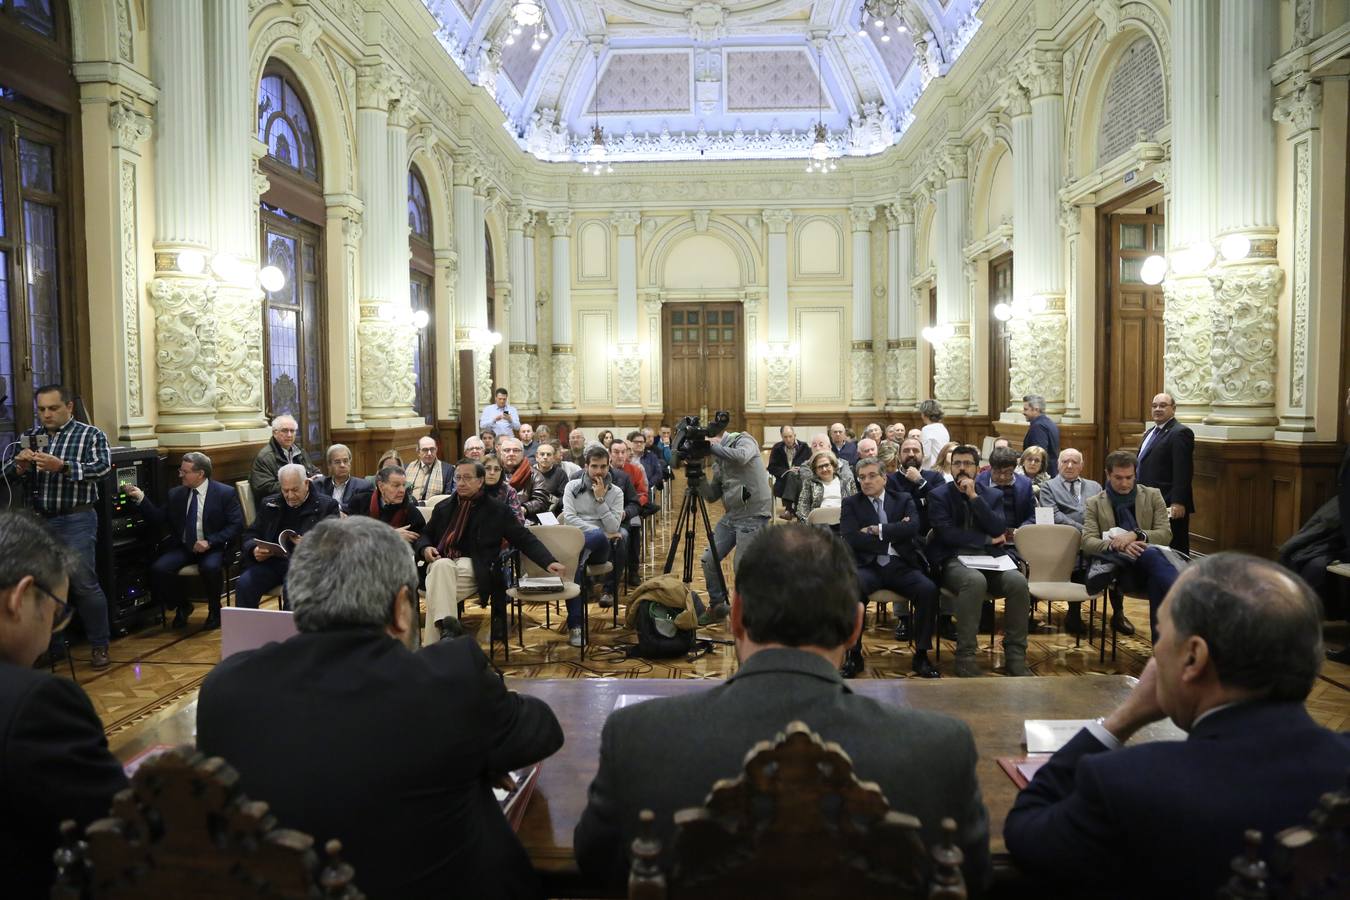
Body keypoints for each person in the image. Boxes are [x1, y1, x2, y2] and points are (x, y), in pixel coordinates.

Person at [573, 523, 991, 892]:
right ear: (855, 626)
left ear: (736, 617)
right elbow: (972, 880)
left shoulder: (636, 737)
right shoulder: (941, 749)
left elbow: (596, 871)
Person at [198, 516, 564, 900]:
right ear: (402, 608)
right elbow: (541, 730)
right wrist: (472, 758)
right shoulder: (448, 681)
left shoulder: (226, 687)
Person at [1004, 554, 1350, 899]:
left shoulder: (1126, 784)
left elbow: (1026, 833)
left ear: (1193, 658)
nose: (1156, 653)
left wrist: (1120, 720)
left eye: (1162, 632)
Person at [0, 511, 128, 897]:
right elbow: (116, 827)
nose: (49, 639)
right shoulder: (37, 702)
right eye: (57, 615)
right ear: (20, 598)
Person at [2, 384, 114, 668]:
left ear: (69, 407)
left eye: (53, 408)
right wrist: (19, 466)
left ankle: (100, 645)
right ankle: (51, 646)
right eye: (41, 410)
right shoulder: (30, 437)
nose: (46, 415)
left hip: (76, 518)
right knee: (43, 584)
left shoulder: (91, 434)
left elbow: (102, 469)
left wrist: (62, 466)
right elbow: (6, 475)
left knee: (84, 584)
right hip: (40, 520)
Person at [418, 460, 565, 645]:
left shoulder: (496, 510)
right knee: (441, 566)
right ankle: (448, 637)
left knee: (436, 584)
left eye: (467, 478)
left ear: (480, 481)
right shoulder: (444, 507)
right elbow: (425, 534)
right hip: (442, 564)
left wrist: (548, 561)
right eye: (458, 478)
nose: (461, 483)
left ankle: (432, 650)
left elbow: (523, 537)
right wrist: (425, 548)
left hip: (475, 567)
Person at [927, 445, 1031, 677]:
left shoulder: (992, 494)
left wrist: (974, 497)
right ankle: (965, 655)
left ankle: (1015, 654)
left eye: (967, 463)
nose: (962, 468)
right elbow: (946, 534)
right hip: (954, 559)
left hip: (990, 559)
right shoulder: (939, 495)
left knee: (1017, 582)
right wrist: (985, 538)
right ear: (950, 467)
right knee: (974, 581)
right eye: (957, 464)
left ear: (977, 468)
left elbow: (998, 527)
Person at [841, 459, 940, 677]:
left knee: (928, 590)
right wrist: (896, 532)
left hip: (901, 565)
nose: (866, 481)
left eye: (872, 475)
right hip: (868, 566)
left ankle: (921, 655)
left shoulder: (903, 499)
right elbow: (851, 538)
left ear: (884, 478)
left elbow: (913, 527)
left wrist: (877, 530)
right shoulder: (851, 503)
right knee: (850, 588)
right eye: (862, 477)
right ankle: (853, 655)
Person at [126, 452, 243, 631]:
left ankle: (214, 610)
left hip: (213, 547)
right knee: (159, 569)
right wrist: (141, 498)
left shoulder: (224, 493)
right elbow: (158, 518)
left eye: (184, 471)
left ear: (200, 474)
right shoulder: (176, 494)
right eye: (180, 470)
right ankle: (182, 605)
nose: (180, 474)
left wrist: (209, 542)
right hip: (184, 547)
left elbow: (235, 525)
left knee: (210, 567)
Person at [1082, 450, 1183, 642]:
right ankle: (1183, 593)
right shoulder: (1094, 503)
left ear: (1136, 474)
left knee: (1155, 579)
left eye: (1129, 477)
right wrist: (1117, 545)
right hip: (1122, 571)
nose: (1125, 483)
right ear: (1108, 474)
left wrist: (1136, 534)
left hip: (1151, 570)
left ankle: (1160, 654)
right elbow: (1087, 542)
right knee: (1152, 556)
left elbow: (1165, 535)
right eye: (1118, 478)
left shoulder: (1152, 496)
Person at [237, 464, 341, 610]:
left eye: (295, 490)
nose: (290, 495)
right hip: (272, 563)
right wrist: (254, 550)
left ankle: (290, 632)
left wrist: (310, 543)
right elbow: (251, 534)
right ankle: (246, 632)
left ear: (306, 483)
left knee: (292, 588)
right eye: (285, 490)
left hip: (305, 566)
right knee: (245, 583)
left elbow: (334, 541)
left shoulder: (327, 506)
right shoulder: (269, 503)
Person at [699, 422, 774, 621]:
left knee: (742, 566)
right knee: (708, 559)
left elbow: (741, 457)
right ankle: (718, 606)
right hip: (732, 515)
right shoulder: (718, 459)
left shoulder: (743, 439)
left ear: (717, 438)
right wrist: (697, 477)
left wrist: (708, 446)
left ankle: (750, 613)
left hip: (754, 513)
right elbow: (712, 495)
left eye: (709, 443)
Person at [562, 446, 626, 644]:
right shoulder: (571, 487)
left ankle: (575, 625)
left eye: (603, 467)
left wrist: (600, 499)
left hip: (600, 548)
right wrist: (596, 529)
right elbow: (569, 519)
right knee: (578, 565)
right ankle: (576, 626)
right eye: (594, 466)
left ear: (609, 467)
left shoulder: (616, 492)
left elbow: (615, 525)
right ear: (586, 466)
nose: (599, 471)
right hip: (578, 542)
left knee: (597, 537)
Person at [1037, 448, 1103, 636]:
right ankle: (1074, 612)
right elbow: (1055, 515)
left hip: (1093, 540)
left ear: (1082, 465)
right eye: (1065, 461)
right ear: (1058, 464)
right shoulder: (1048, 486)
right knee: (1078, 558)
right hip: (1064, 539)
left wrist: (1093, 533)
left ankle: (1118, 613)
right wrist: (1084, 531)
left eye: (1074, 462)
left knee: (1115, 558)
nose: (1069, 465)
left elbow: (1102, 512)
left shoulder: (1095, 487)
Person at [1136, 392, 1196, 556]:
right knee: (1154, 547)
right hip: (1148, 501)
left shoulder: (1180, 433)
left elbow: (1183, 470)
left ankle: (1179, 579)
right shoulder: (1150, 432)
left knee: (1175, 548)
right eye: (1154, 406)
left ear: (1173, 409)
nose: (1158, 409)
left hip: (1169, 502)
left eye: (1163, 405)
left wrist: (1178, 502)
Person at [344, 466, 425, 543]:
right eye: (396, 485)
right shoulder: (359, 502)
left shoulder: (410, 511)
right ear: (381, 486)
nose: (402, 490)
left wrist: (424, 549)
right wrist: (389, 535)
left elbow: (420, 539)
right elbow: (349, 534)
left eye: (403, 485)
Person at [249, 414, 317, 500]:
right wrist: (298, 485)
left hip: (302, 499)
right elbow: (263, 488)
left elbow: (312, 470)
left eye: (292, 431)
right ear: (274, 433)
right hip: (278, 504)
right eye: (284, 431)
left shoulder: (299, 451)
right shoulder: (265, 457)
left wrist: (317, 478)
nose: (289, 435)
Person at [975, 446, 1037, 540]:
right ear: (990, 467)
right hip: (986, 538)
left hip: (1016, 538)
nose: (1002, 477)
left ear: (1014, 469)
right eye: (997, 472)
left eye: (1008, 472)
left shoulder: (1025, 484)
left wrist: (1022, 529)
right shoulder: (978, 482)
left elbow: (1033, 514)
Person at [889, 436, 946, 532]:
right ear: (898, 456)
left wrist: (920, 481)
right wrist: (924, 501)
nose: (911, 454)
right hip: (900, 536)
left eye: (915, 450)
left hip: (931, 535)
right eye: (906, 450)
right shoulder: (889, 480)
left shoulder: (936, 477)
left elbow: (941, 503)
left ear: (923, 455)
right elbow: (893, 508)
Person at [796, 449, 858, 523]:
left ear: (833, 466)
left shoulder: (847, 482)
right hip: (820, 523)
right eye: (820, 467)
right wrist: (808, 525)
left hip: (844, 521)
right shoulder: (809, 483)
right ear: (815, 470)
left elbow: (856, 504)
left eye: (826, 465)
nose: (824, 469)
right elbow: (802, 508)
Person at [499, 436, 549, 522]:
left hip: (526, 519)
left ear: (523, 453)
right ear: (501, 453)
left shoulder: (534, 475)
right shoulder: (493, 473)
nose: (511, 453)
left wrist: (523, 508)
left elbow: (541, 501)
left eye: (516, 450)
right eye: (507, 450)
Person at [313, 443, 369, 510]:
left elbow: (357, 510)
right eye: (337, 462)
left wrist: (334, 507)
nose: (342, 465)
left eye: (345, 461)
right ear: (329, 466)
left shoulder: (363, 486)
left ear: (350, 464)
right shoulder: (319, 485)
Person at [407, 436, 455, 504]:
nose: (429, 453)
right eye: (425, 450)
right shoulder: (408, 468)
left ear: (436, 450)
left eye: (432, 449)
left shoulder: (447, 469)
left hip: (433, 509)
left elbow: (447, 498)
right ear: (418, 452)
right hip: (410, 508)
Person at [1021, 395, 1060, 477]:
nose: (1023, 412)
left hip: (1042, 477)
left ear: (1036, 409)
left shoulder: (1038, 427)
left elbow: (1038, 454)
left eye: (1026, 409)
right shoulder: (1049, 423)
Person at [481, 454, 526, 525]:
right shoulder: (473, 489)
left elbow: (519, 521)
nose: (492, 473)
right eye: (487, 468)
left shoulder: (509, 491)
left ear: (501, 472)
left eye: (496, 469)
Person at [768, 425, 811, 492]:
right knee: (790, 476)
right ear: (781, 437)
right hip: (783, 480)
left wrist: (801, 469)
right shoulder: (777, 448)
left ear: (794, 435)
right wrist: (788, 471)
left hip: (801, 479)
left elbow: (810, 464)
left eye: (790, 436)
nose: (788, 440)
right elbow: (771, 467)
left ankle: (788, 501)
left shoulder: (804, 447)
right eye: (785, 437)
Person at [532, 442, 568, 517]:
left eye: (548, 454)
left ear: (553, 458)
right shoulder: (530, 472)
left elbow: (565, 497)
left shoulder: (560, 473)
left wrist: (556, 502)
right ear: (536, 457)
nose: (545, 457)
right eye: (542, 454)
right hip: (532, 511)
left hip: (553, 512)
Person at [918, 399, 950, 469]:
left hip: (930, 468)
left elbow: (926, 454)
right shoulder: (943, 428)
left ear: (924, 414)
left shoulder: (927, 429)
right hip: (942, 467)